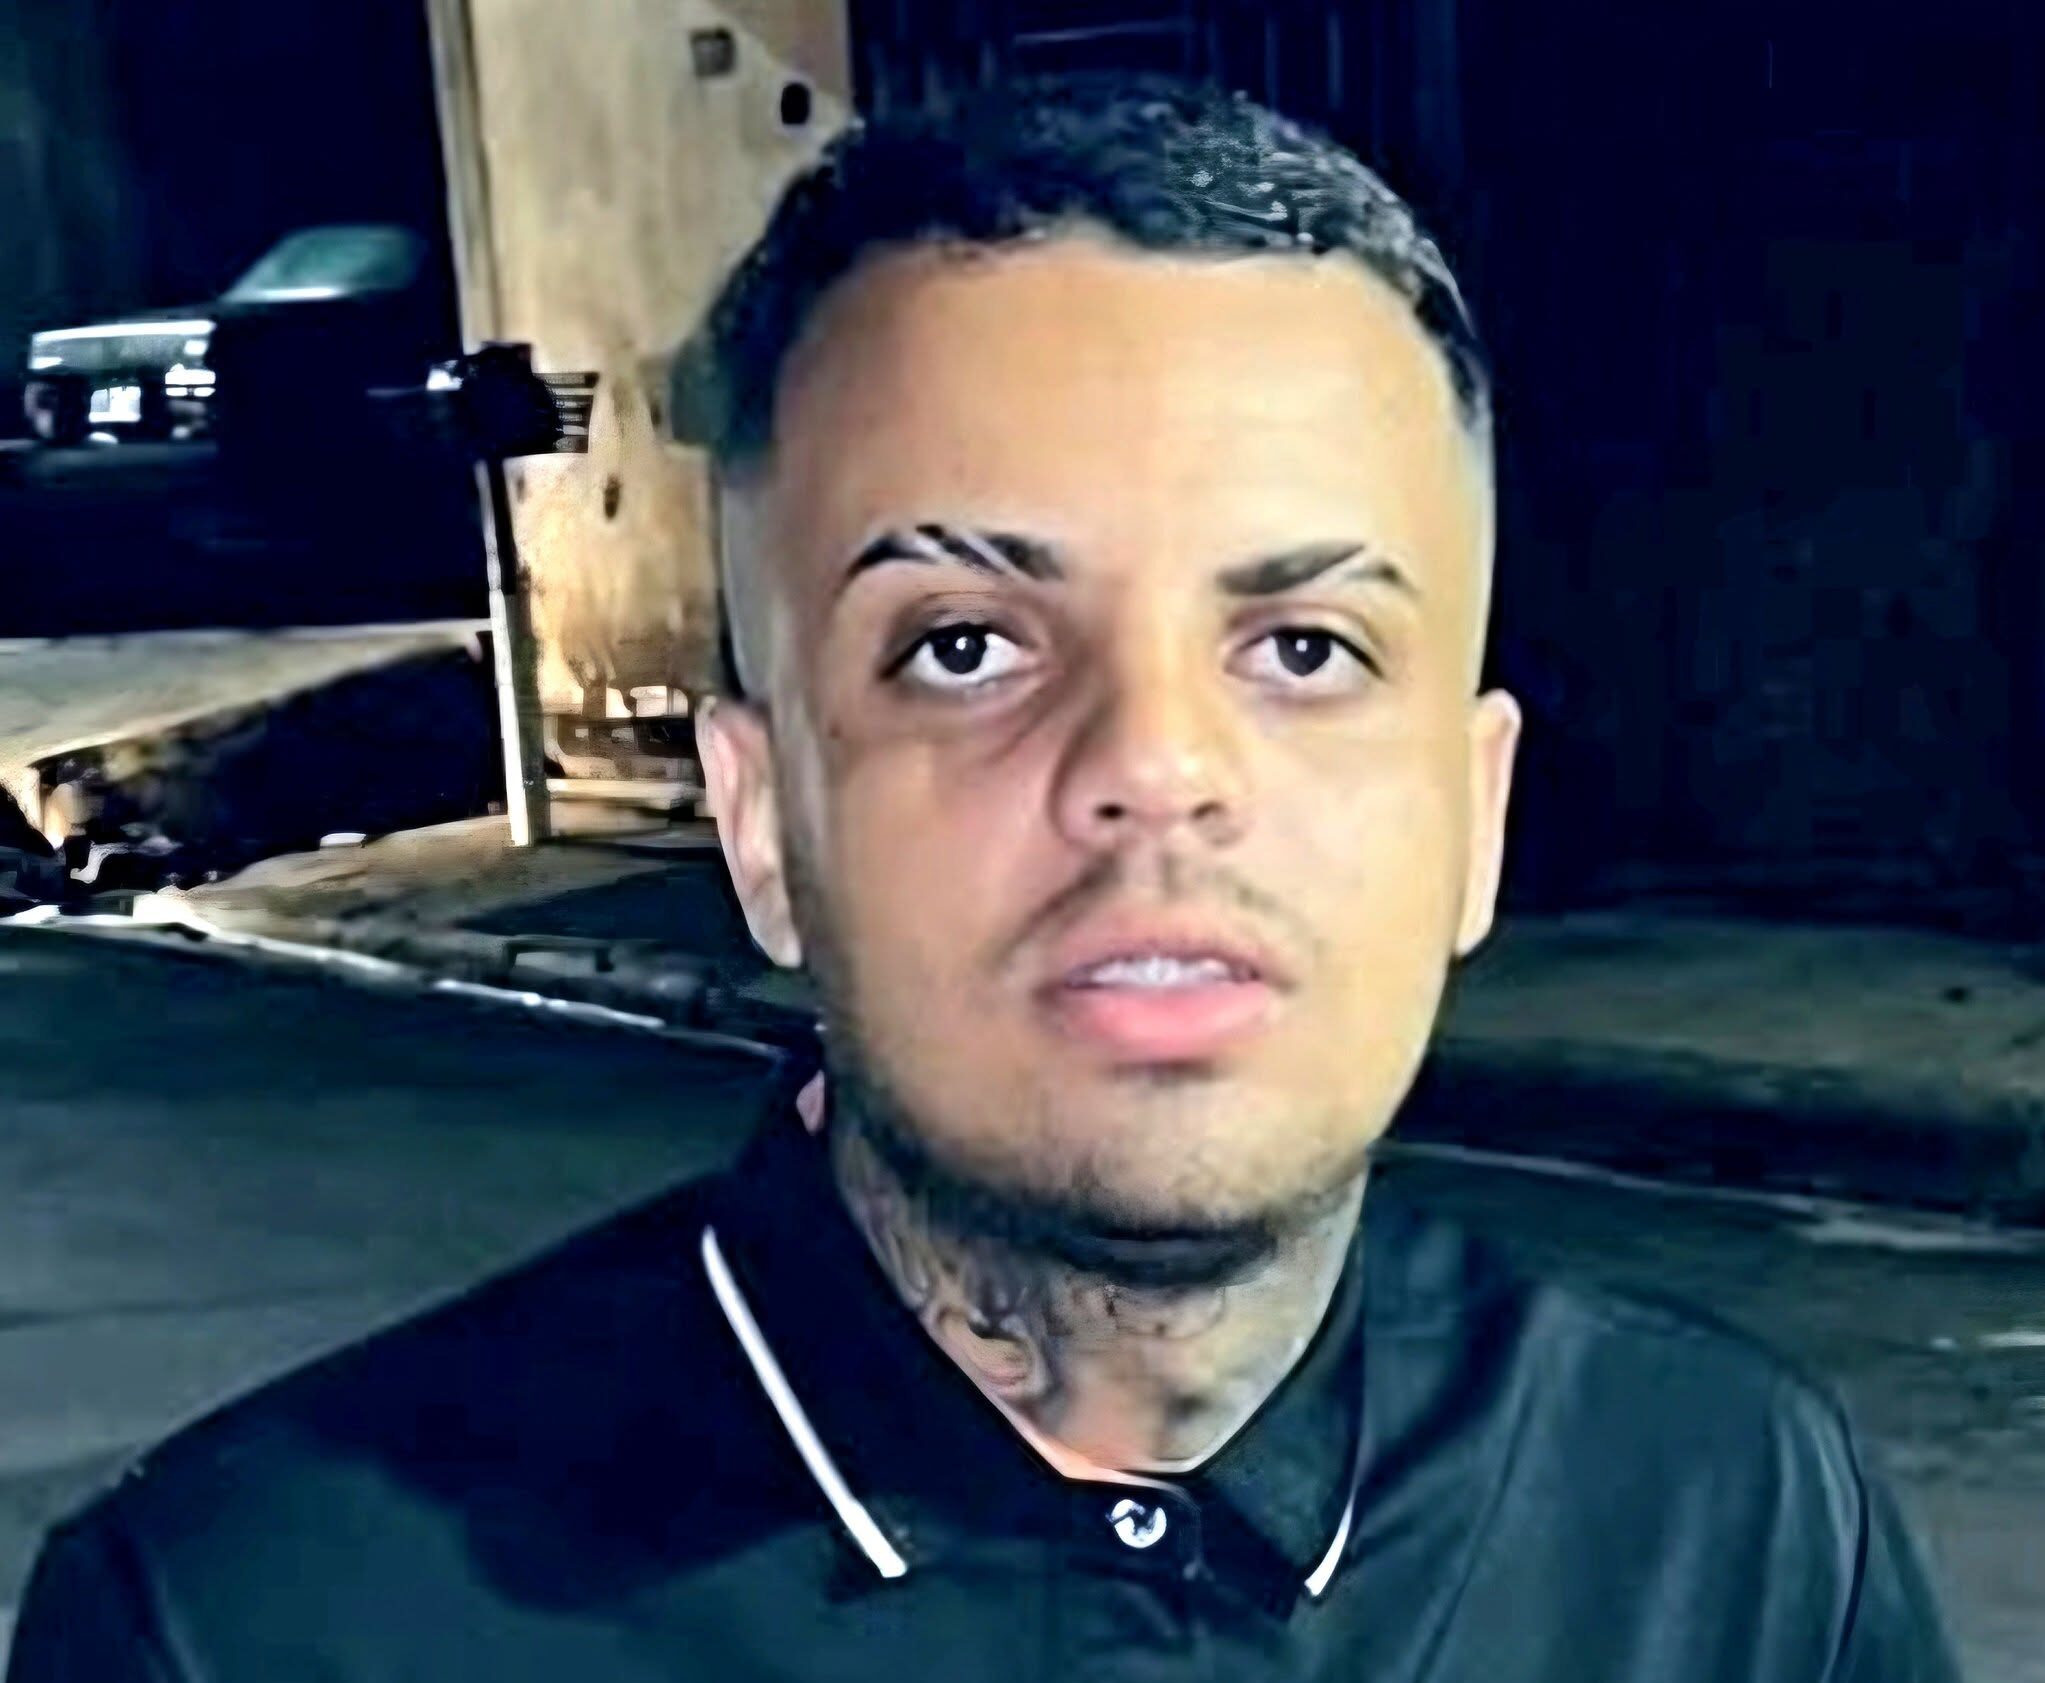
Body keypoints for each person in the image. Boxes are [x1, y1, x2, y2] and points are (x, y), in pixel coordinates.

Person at [9, 73, 1958, 1682]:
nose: (1156, 769)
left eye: (1304, 648)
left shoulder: (1733, 1527)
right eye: (963, 647)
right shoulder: (251, 1627)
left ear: (1474, 814)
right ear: (763, 822)